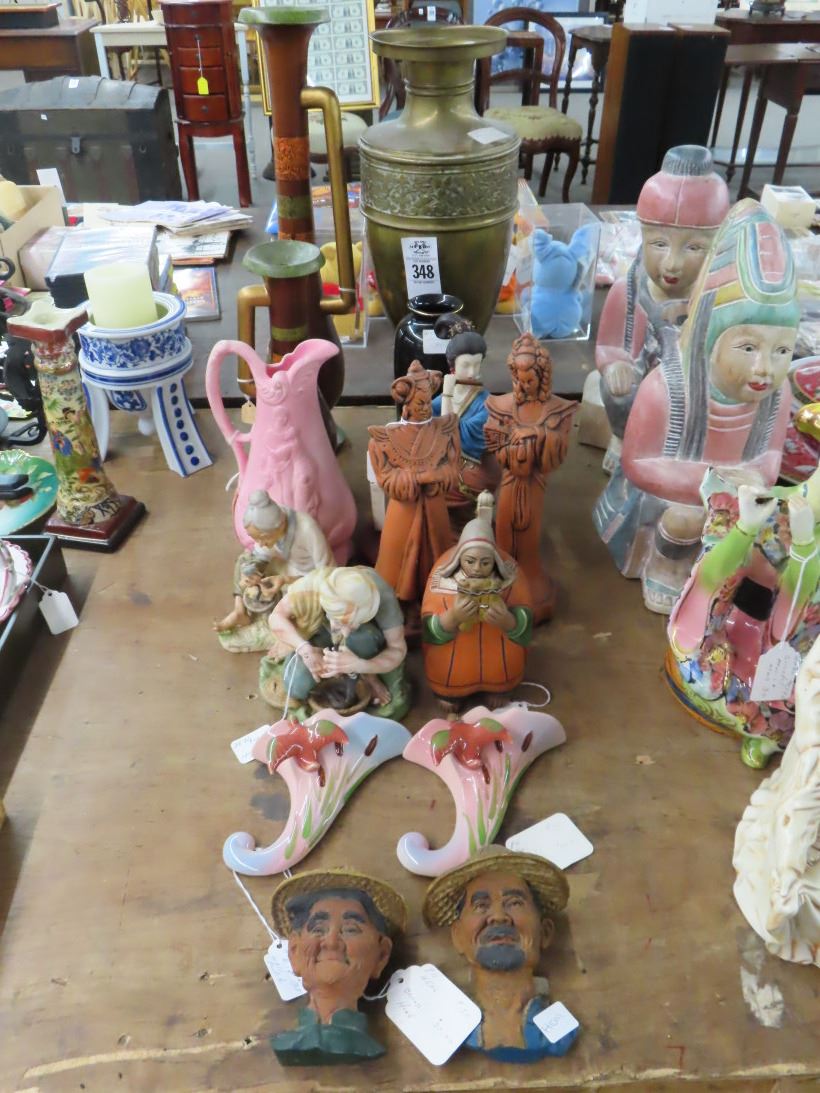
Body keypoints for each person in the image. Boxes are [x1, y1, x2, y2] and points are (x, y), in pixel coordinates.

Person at [593, 199, 799, 614]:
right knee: (684, 519)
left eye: (781, 351)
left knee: (779, 528)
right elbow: (637, 462)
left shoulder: (777, 396)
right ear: (709, 337)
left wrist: (752, 476)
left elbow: (770, 457)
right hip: (671, 500)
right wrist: (709, 482)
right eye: (748, 347)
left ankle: (730, 580)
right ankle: (666, 567)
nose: (765, 367)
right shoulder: (666, 388)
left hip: (737, 498)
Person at [596, 145, 730, 473]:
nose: (672, 263)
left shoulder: (720, 298)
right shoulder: (628, 291)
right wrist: (615, 364)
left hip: (691, 387)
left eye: (694, 247)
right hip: (643, 378)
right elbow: (607, 345)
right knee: (618, 391)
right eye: (659, 244)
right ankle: (623, 437)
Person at [422, 847, 578, 1063]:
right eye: (481, 906)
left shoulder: (560, 1029)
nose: (498, 916)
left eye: (514, 903)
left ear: (545, 933)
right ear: (457, 937)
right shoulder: (451, 1029)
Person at [484, 334, 576, 623]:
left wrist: (535, 433)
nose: (523, 386)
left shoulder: (556, 411)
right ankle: (504, 579)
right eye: (518, 380)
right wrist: (512, 450)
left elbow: (558, 448)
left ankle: (528, 579)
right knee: (504, 526)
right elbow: (493, 441)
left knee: (529, 533)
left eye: (529, 380)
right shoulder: (501, 406)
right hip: (510, 482)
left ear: (542, 377)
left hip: (533, 485)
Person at [270, 869, 406, 1065]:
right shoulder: (287, 1043)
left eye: (350, 930)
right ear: (294, 951)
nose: (332, 942)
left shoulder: (365, 1046)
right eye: (318, 929)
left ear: (381, 956)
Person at [422, 492, 532, 713]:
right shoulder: (441, 579)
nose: (477, 569)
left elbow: (527, 621)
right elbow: (428, 628)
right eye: (470, 561)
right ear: (459, 558)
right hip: (455, 663)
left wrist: (508, 621)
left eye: (485, 562)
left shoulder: (511, 576)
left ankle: (499, 688)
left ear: (495, 560)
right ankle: (450, 691)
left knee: (501, 673)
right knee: (450, 681)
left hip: (497, 659)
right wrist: (452, 618)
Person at [261, 564, 410, 720]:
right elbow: (276, 617)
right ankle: (322, 651)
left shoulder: (381, 592)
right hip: (318, 632)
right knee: (296, 687)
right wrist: (304, 649)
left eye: (354, 623)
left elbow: (397, 649)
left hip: (362, 639)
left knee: (364, 636)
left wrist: (362, 666)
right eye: (339, 623)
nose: (345, 632)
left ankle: (369, 676)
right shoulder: (310, 588)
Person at [368, 360, 460, 608]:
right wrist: (418, 478)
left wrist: (437, 476)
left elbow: (453, 470)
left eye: (429, 402)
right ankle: (395, 601)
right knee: (395, 564)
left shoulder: (445, 430)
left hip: (435, 507)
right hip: (403, 512)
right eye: (420, 404)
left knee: (438, 556)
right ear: (406, 405)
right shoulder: (385, 438)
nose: (426, 409)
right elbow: (385, 477)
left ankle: (436, 597)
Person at [215, 490, 333, 653]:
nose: (260, 543)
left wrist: (286, 580)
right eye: (256, 539)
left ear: (280, 526)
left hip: (308, 580)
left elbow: (328, 575)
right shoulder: (275, 523)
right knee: (244, 560)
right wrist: (252, 571)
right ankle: (240, 610)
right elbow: (261, 554)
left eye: (263, 538)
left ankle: (289, 634)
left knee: (304, 608)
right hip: (286, 567)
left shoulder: (307, 530)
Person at [432, 324, 499, 509]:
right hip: (450, 460)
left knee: (434, 485)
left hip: (474, 470)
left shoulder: (487, 404)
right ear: (452, 366)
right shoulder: (449, 394)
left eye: (477, 365)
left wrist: (447, 394)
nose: (472, 372)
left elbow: (449, 430)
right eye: (466, 365)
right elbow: (427, 415)